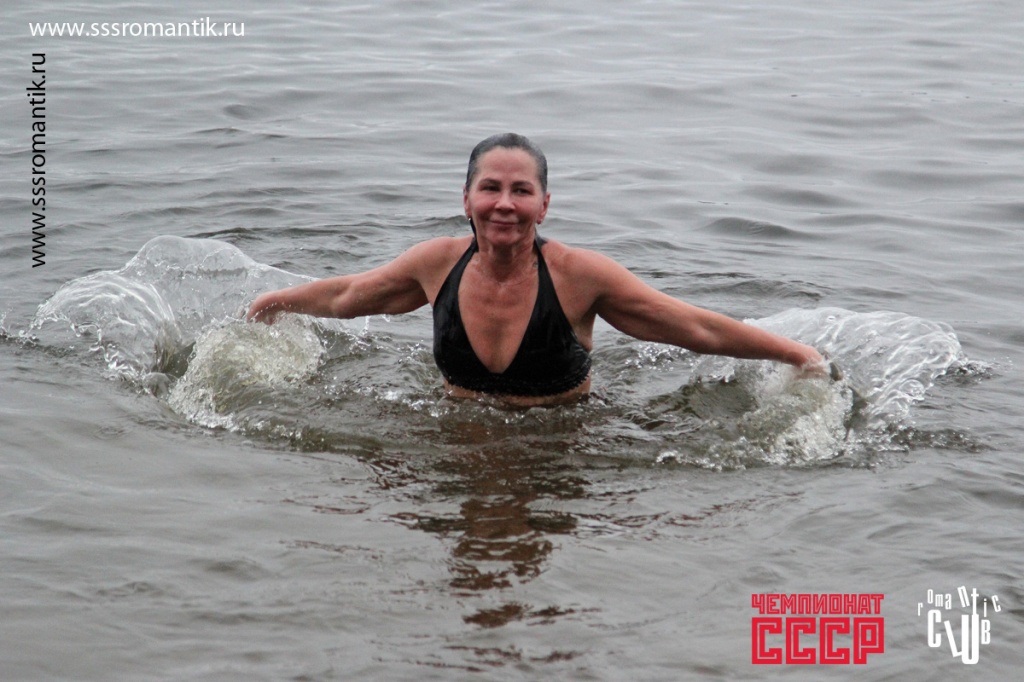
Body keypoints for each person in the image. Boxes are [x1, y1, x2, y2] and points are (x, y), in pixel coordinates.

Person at [247, 133, 827, 406]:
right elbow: (350, 295)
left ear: (544, 205)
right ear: (466, 198)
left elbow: (692, 326)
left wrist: (794, 354)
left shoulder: (580, 276)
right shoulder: (436, 264)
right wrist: (274, 303)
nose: (505, 204)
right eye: (490, 188)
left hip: (562, 440)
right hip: (461, 433)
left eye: (521, 191)